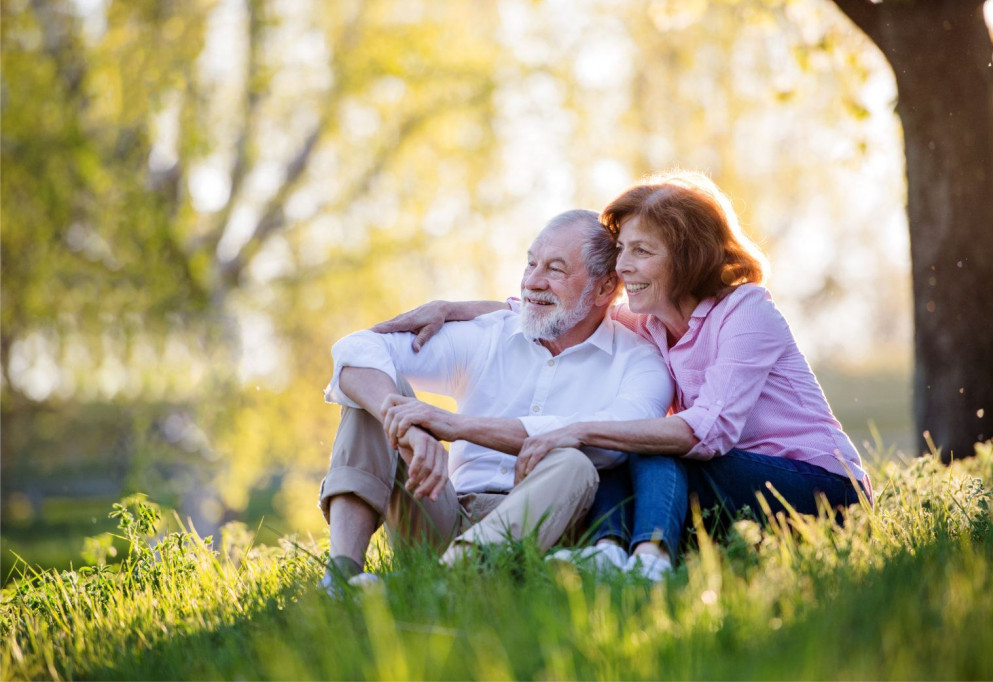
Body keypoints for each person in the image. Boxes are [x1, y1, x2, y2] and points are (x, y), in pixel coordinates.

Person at [373, 171, 873, 582]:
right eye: (622, 250)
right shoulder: (653, 322)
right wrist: (453, 307)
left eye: (641, 251)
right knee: (621, 441)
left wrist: (580, 429)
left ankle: (648, 561)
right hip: (731, 487)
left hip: (821, 486)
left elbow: (707, 432)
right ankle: (609, 552)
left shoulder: (747, 313)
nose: (623, 266)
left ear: (688, 255)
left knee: (640, 440)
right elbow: (565, 308)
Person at [319, 209, 673, 593]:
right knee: (375, 398)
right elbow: (356, 348)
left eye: (555, 269)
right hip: (442, 509)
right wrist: (409, 428)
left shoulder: (638, 361)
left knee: (575, 461)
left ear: (604, 289)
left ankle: (446, 580)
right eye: (531, 263)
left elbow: (618, 434)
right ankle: (341, 578)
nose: (533, 282)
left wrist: (452, 426)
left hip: (543, 524)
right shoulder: (490, 335)